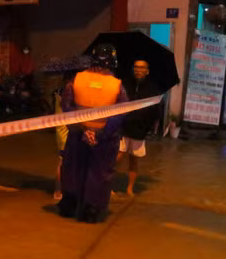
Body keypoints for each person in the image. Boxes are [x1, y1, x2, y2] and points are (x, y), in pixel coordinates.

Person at [58, 44, 129, 223]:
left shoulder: (76, 80)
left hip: (77, 135)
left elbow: (67, 107)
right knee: (100, 173)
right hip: (104, 140)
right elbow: (120, 114)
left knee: (73, 169)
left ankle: (69, 206)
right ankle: (91, 212)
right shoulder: (117, 86)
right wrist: (99, 134)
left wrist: (84, 129)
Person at [118, 59, 161, 196]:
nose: (138, 70)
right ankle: (107, 186)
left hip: (138, 131)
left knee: (134, 160)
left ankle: (129, 188)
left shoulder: (153, 89)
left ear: (147, 71)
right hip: (122, 128)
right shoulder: (125, 84)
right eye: (136, 67)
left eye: (142, 68)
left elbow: (155, 112)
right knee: (116, 157)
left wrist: (146, 128)